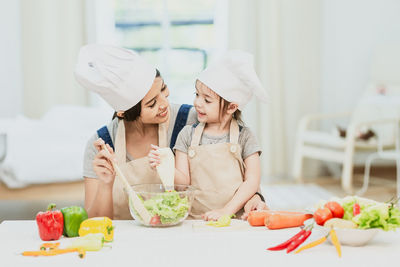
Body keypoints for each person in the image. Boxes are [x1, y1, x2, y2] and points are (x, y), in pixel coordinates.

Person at [75, 44, 266, 219]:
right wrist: (106, 184)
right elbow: (94, 222)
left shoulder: (191, 121)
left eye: (163, 89)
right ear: (123, 113)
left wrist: (255, 197)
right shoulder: (102, 145)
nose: (164, 103)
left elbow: (238, 169)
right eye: (152, 104)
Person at [150, 50, 269, 221]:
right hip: (198, 220)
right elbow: (183, 184)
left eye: (207, 100)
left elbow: (252, 182)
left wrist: (225, 211)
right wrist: (165, 165)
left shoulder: (245, 137)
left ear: (231, 107)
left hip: (235, 219)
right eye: (197, 94)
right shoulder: (187, 135)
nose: (197, 103)